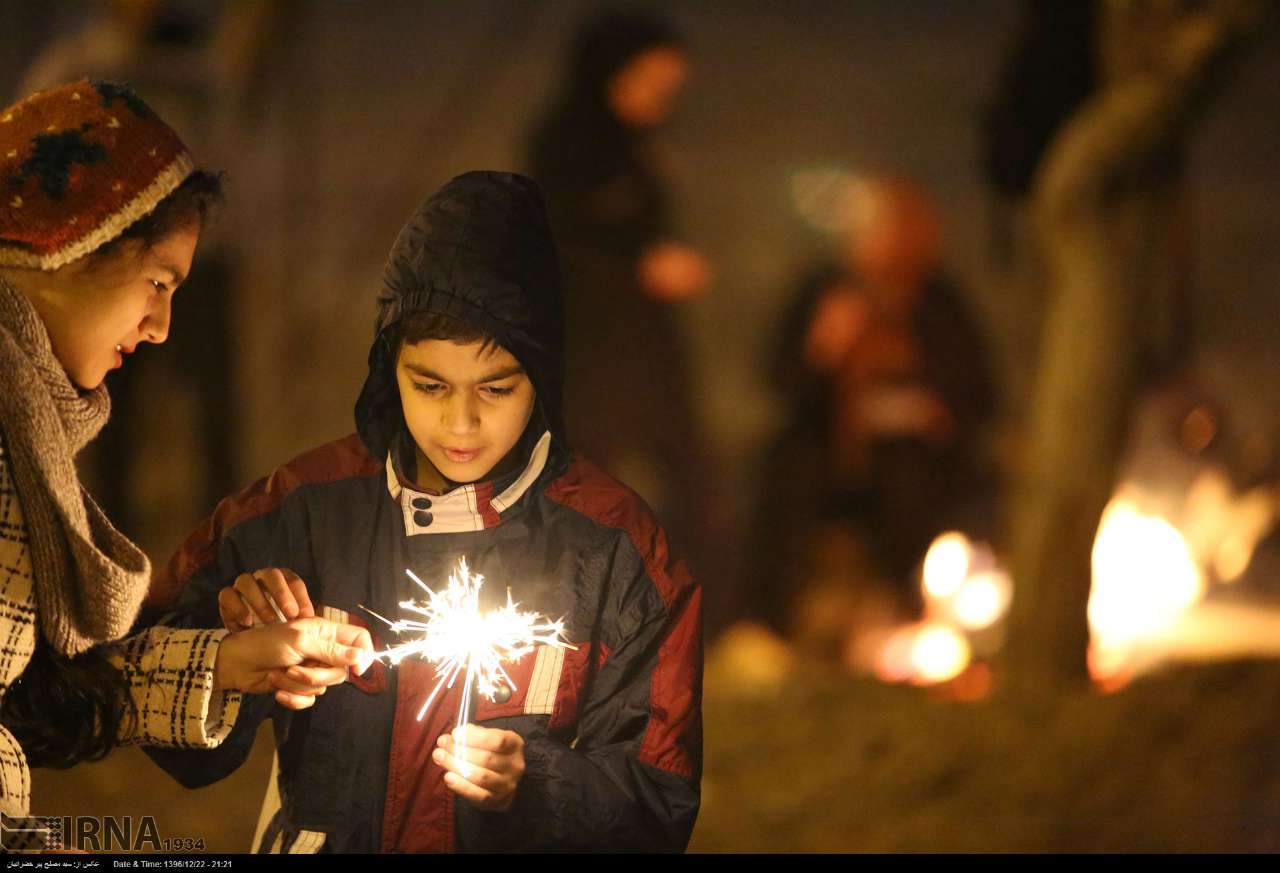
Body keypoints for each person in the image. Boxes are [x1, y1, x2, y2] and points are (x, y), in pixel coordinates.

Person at [142, 171, 702, 853]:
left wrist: (538, 781)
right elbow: (163, 728)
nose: (459, 422)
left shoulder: (616, 548)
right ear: (387, 368)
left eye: (495, 388)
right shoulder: (298, 512)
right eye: (429, 384)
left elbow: (660, 805)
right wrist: (232, 658)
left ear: (544, 377)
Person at [0, 80, 372, 846]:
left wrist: (234, 662)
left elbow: (33, 697)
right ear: (74, 242)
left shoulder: (26, 431)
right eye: (158, 282)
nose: (163, 326)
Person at [745, 178, 998, 644]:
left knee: (919, 485)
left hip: (917, 454)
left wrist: (927, 404)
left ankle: (911, 621)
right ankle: (770, 626)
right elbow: (780, 381)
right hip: (827, 447)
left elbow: (977, 391)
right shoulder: (822, 291)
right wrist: (823, 349)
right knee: (779, 476)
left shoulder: (939, 300)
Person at [526, 8, 713, 570]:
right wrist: (638, 265)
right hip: (591, 345)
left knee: (692, 475)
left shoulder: (643, 146)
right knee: (582, 476)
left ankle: (691, 605)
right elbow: (558, 236)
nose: (662, 97)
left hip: (648, 340)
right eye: (652, 82)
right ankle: (564, 606)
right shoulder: (563, 144)